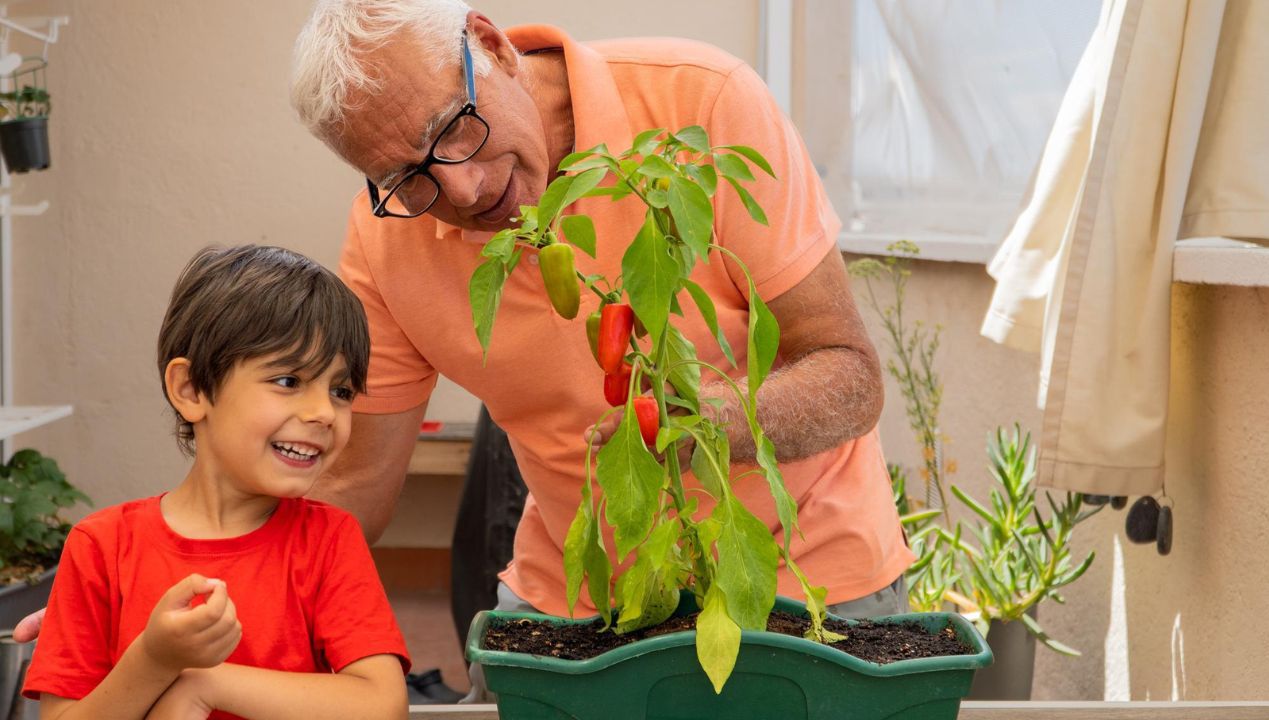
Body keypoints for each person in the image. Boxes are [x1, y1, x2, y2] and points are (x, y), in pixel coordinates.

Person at [288, 0, 915, 645]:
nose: (463, 189)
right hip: (581, 592)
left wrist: (710, 423)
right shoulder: (385, 235)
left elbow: (850, 373)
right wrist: (222, 551)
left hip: (805, 580)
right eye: (406, 176)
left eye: (450, 127)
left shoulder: (700, 101)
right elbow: (358, 480)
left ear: (493, 47)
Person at [21, 245, 411, 720]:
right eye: (289, 380)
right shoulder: (101, 546)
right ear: (191, 390)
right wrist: (154, 661)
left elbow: (382, 704)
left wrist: (207, 683)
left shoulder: (330, 541)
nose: (323, 413)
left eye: (341, 391)